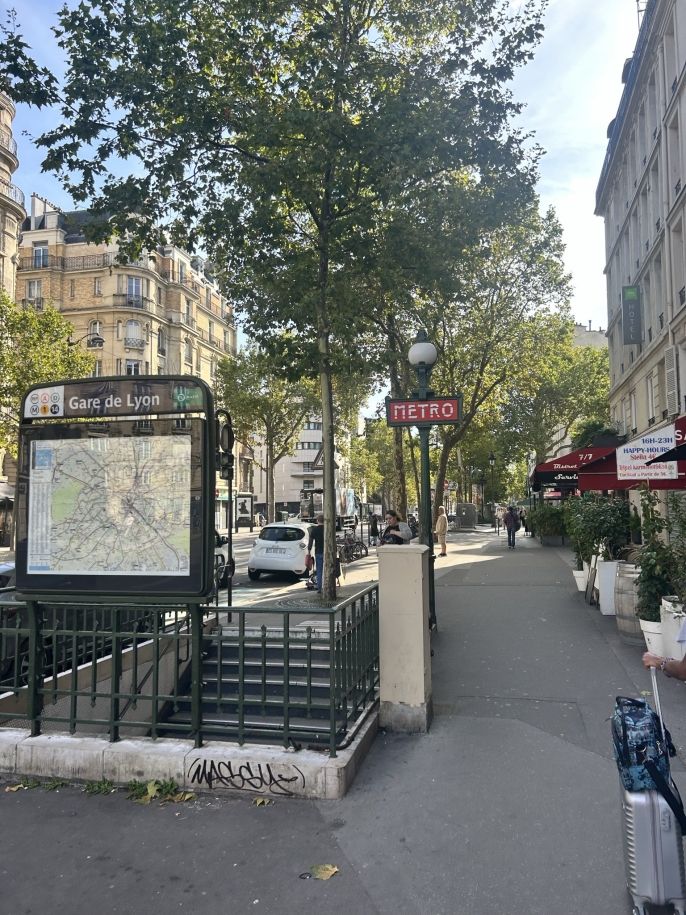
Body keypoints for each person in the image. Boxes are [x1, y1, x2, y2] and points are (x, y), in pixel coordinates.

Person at [306, 514, 325, 592]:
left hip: (318, 552)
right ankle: (328, 586)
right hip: (327, 552)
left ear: (317, 521)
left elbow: (310, 542)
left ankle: (319, 588)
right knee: (328, 569)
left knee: (319, 570)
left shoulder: (314, 530)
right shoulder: (327, 529)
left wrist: (309, 551)